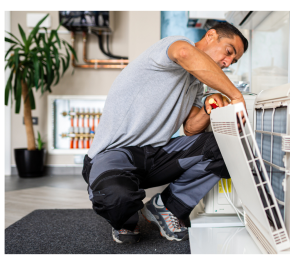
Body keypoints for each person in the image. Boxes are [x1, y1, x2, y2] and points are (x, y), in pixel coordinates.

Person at [82, 22, 248, 244]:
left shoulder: (196, 84)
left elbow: (190, 129)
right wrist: (236, 96)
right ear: (210, 36)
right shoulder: (174, 46)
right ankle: (126, 219)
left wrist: (209, 106)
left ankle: (168, 206)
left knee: (223, 147)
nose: (228, 62)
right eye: (228, 52)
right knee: (117, 199)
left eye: (233, 61)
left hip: (155, 155)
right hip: (114, 156)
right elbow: (184, 53)